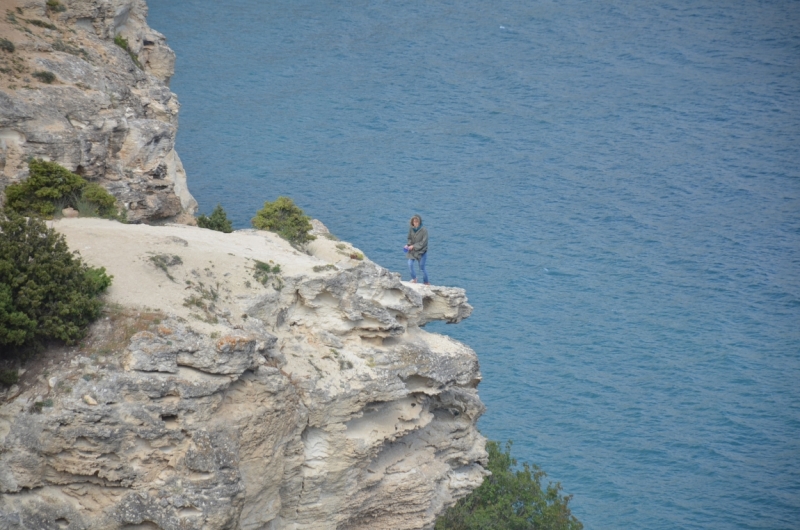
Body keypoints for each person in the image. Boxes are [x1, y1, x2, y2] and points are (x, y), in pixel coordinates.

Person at [404, 214, 429, 284]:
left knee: (422, 268)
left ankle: (426, 282)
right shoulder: (411, 229)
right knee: (410, 264)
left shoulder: (424, 230)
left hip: (422, 251)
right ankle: (414, 279)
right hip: (413, 251)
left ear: (420, 222)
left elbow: (424, 242)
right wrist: (408, 245)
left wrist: (414, 246)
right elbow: (409, 238)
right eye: (414, 222)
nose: (415, 223)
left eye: (417, 222)